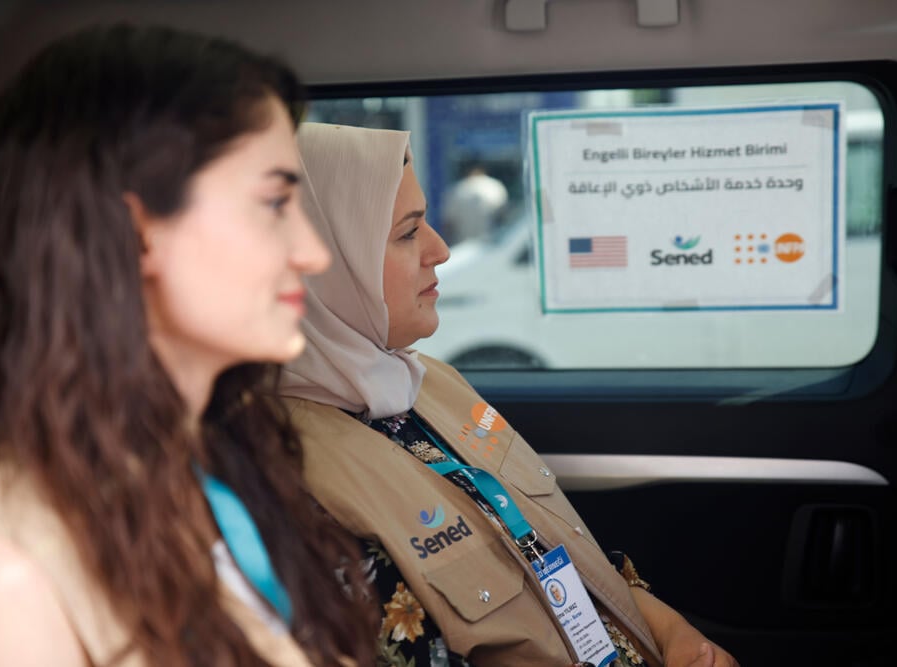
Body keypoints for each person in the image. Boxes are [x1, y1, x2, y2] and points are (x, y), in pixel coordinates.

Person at [0, 26, 377, 667]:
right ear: (135, 233)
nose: (313, 252)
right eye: (274, 202)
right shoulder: (4, 572)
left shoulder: (215, 462)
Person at [282, 122, 739, 667]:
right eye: (407, 233)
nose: (441, 250)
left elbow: (543, 550)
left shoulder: (429, 382)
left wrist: (671, 631)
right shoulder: (289, 481)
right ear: (324, 264)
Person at [441, 161, 508, 244]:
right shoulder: (495, 187)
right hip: (491, 244)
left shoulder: (457, 190)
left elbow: (448, 224)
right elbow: (503, 217)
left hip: (464, 244)